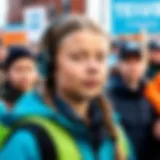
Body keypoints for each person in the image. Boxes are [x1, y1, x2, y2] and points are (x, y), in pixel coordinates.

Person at [0, 16, 134, 160]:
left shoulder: (115, 133)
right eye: (78, 57)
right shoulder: (27, 140)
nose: (93, 67)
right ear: (49, 66)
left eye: (100, 57)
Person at [108, 42, 155, 160]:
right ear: (119, 64)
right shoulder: (107, 98)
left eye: (137, 61)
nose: (133, 66)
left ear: (145, 65)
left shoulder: (152, 95)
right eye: (127, 61)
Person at [0, 46, 38, 112]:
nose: (25, 75)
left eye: (29, 69)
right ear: (7, 72)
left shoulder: (44, 100)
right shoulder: (3, 105)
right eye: (19, 69)